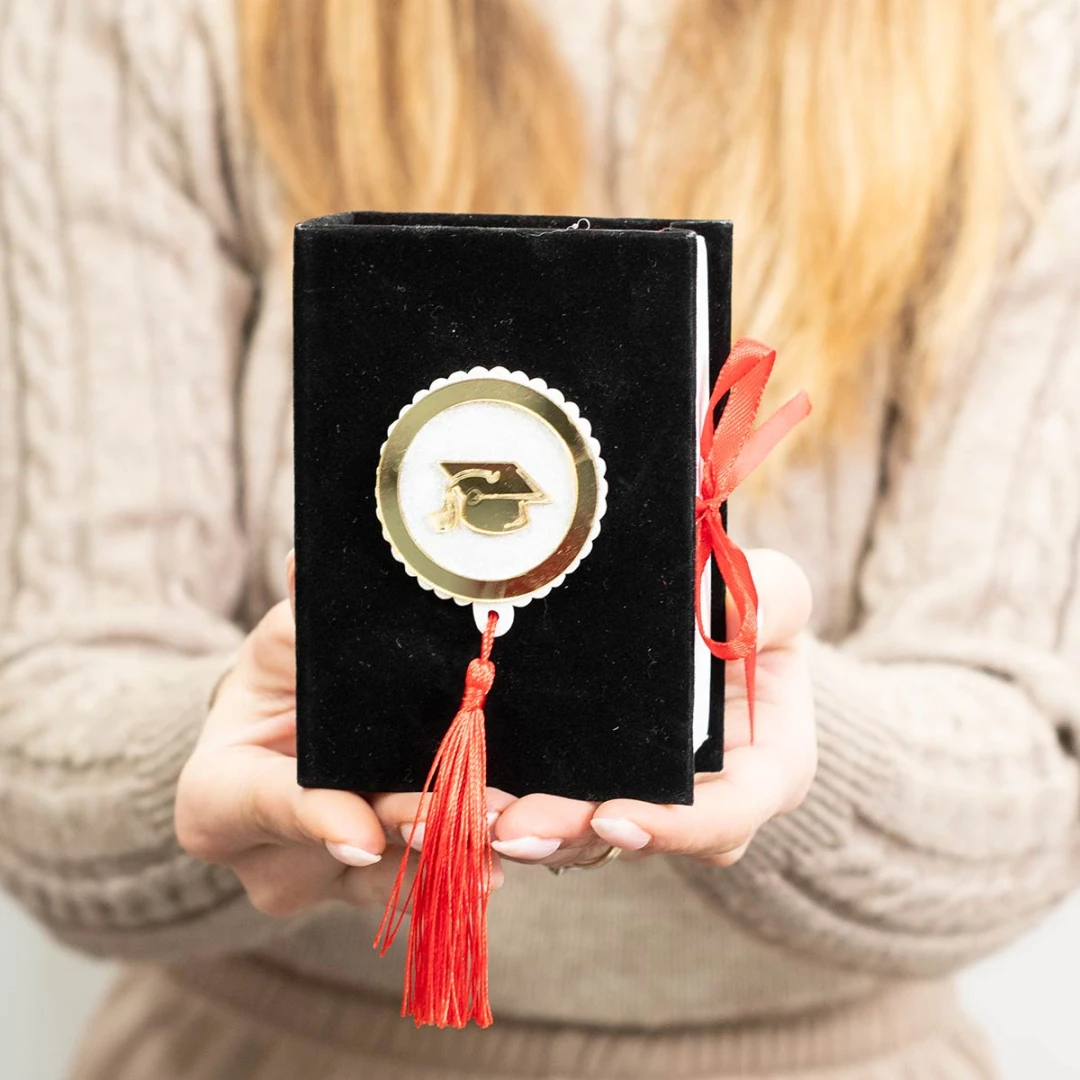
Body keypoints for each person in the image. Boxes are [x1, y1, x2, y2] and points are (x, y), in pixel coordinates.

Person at [1, 0, 1078, 1077]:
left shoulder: (1018, 45)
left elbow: (1036, 779)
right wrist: (247, 745)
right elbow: (42, 736)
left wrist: (750, 727)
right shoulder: (153, 24)